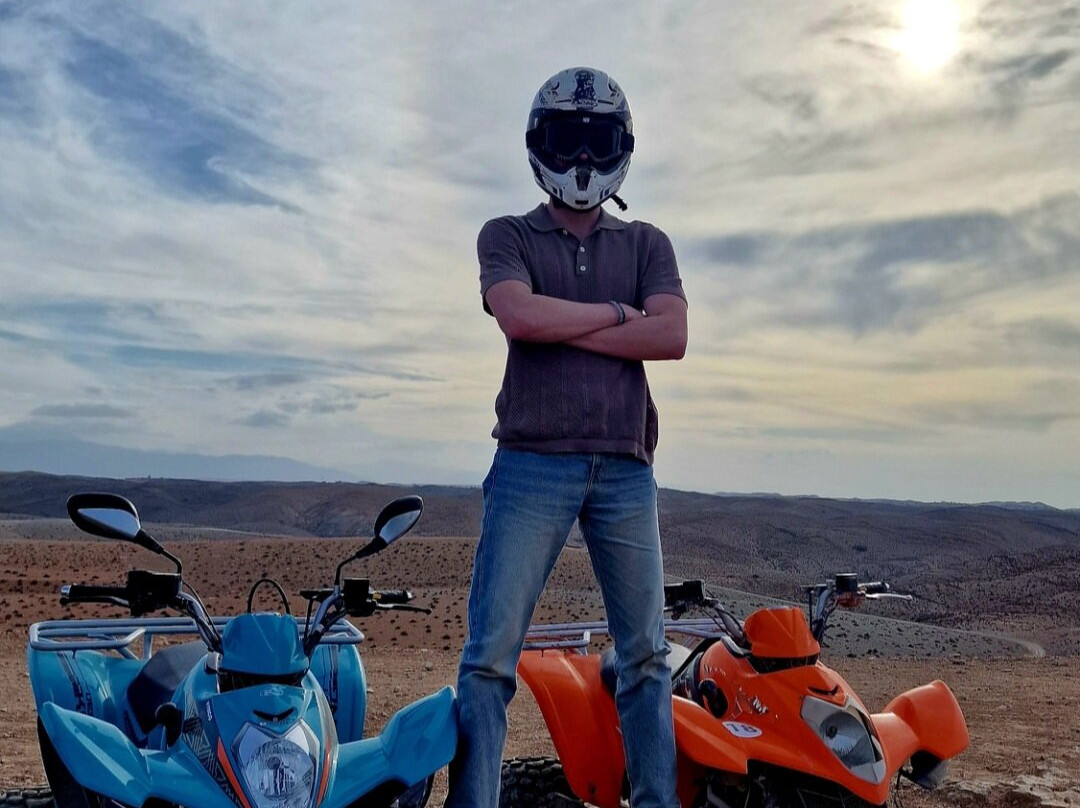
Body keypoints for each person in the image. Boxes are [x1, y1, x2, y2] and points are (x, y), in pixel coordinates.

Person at [446, 66, 688, 808]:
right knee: (490, 660)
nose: (583, 157)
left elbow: (672, 336)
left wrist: (562, 321)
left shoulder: (647, 242)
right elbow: (519, 317)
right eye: (568, 139)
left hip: (623, 463)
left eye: (597, 141)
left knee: (646, 657)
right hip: (532, 461)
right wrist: (620, 317)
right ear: (540, 144)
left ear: (620, 149)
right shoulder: (507, 235)